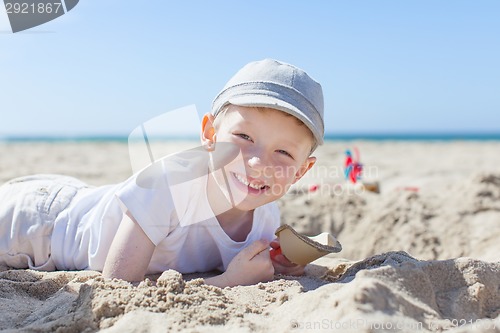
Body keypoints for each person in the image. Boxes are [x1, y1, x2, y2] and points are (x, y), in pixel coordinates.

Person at [0, 58, 325, 287]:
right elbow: (117, 286)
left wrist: (285, 265)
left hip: (85, 198)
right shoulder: (171, 186)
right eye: (244, 137)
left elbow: (243, 263)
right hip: (39, 227)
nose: (258, 164)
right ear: (210, 135)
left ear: (300, 171)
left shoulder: (266, 215)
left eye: (283, 152)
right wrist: (227, 283)